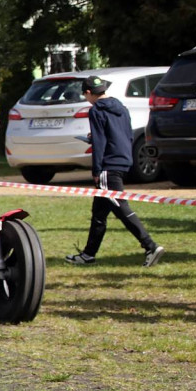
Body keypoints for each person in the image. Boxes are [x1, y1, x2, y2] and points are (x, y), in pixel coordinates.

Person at [65, 75, 165, 267]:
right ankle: (88, 254)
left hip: (108, 165)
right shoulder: (121, 108)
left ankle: (150, 246)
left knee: (120, 206)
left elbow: (101, 142)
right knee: (99, 212)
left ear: (88, 93)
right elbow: (123, 133)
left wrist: (96, 169)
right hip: (123, 160)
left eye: (85, 95)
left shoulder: (95, 111)